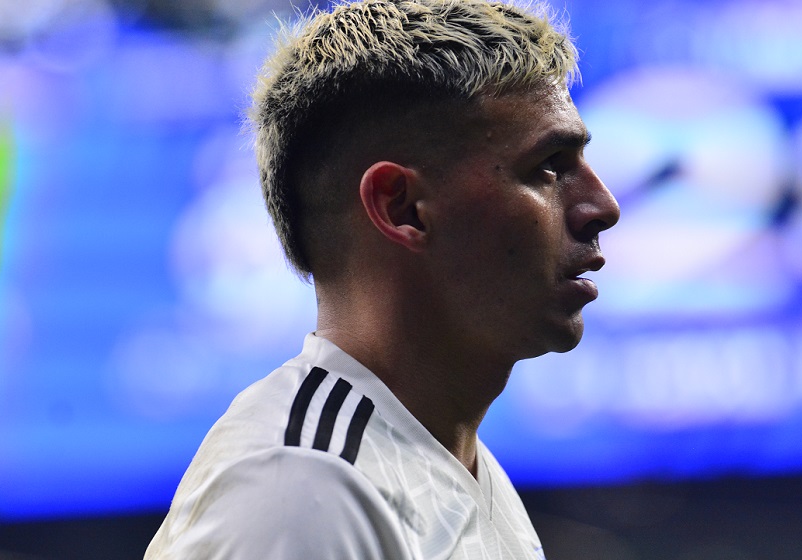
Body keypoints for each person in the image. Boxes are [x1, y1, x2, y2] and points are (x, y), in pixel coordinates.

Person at [145, 0, 620, 558]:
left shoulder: (445, 460)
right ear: (402, 208)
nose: (603, 206)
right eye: (549, 166)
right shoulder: (304, 486)